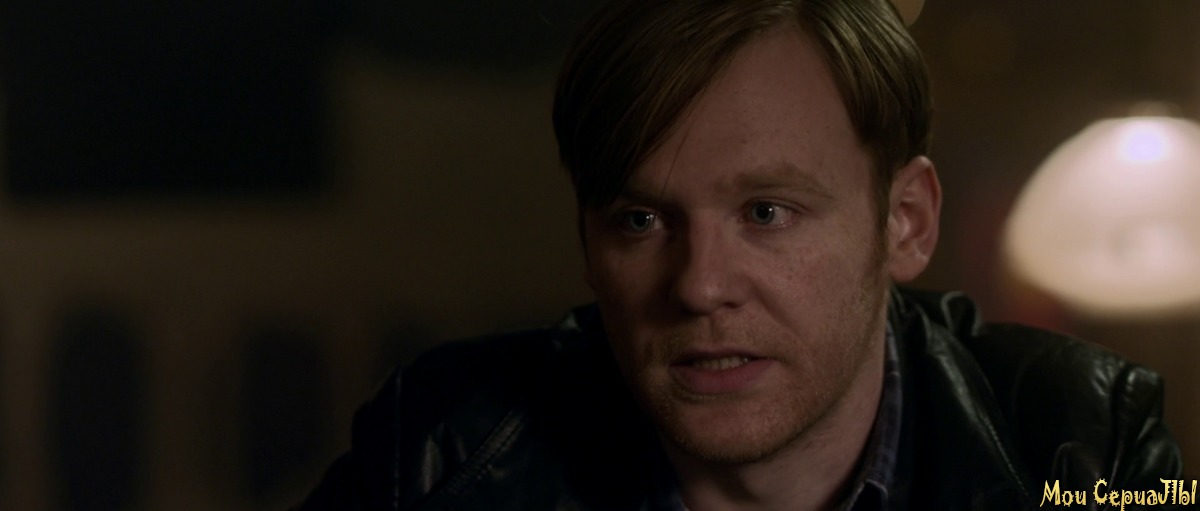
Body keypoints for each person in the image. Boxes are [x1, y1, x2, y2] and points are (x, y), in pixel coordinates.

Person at [297, 0, 1184, 509]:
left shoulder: (1083, 449)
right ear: (587, 242)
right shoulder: (441, 454)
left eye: (766, 212)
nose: (699, 285)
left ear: (906, 222)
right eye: (641, 220)